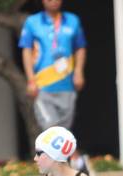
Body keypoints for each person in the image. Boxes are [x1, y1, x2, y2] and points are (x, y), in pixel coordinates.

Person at [19, 0, 86, 130]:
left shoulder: (72, 20)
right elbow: (26, 50)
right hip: (42, 85)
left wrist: (79, 72)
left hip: (67, 83)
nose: (53, 1)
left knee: (64, 130)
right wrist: (31, 80)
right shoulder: (33, 22)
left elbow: (80, 47)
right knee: (50, 128)